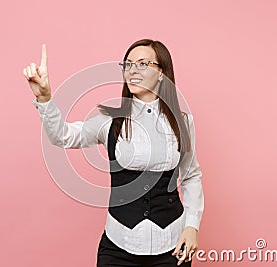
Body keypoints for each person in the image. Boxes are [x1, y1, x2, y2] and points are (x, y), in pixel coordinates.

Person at [23, 39, 204, 266]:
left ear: (161, 73)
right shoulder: (109, 121)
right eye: (128, 64)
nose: (133, 70)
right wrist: (45, 99)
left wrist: (192, 226)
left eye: (142, 64)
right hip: (118, 245)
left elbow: (191, 176)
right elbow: (63, 135)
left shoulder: (183, 123)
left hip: (172, 244)